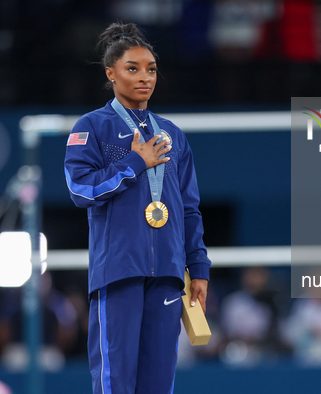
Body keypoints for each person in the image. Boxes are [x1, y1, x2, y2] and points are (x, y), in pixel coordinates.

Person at [64, 22, 211, 394]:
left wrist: (199, 267)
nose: (144, 77)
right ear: (111, 73)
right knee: (115, 380)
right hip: (118, 272)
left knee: (159, 383)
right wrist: (133, 163)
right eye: (132, 68)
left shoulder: (172, 134)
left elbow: (189, 209)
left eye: (151, 69)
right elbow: (80, 189)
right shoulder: (92, 127)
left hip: (167, 271)